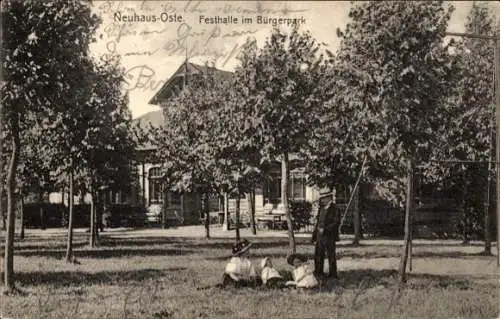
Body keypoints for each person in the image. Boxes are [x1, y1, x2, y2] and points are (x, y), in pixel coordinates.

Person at [312, 192, 340, 279]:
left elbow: (336, 223)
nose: (322, 200)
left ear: (329, 198)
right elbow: (317, 223)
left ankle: (333, 274)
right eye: (321, 198)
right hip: (319, 236)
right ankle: (318, 272)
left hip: (329, 236)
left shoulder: (335, 209)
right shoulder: (321, 208)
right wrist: (314, 236)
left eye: (323, 198)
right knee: (318, 254)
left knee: (331, 255)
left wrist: (326, 229)